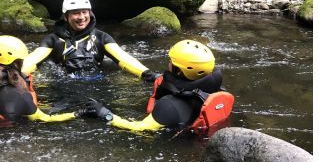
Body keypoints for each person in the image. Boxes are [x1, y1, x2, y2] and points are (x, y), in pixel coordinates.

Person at [21, 0, 160, 83]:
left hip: (97, 83)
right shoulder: (52, 40)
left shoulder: (101, 37)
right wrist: (18, 74)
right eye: (76, 13)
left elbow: (123, 58)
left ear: (90, 13)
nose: (81, 17)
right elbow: (34, 59)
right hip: (63, 85)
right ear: (66, 16)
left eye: (84, 12)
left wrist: (148, 74)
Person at [83, 40, 234, 133]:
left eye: (171, 61)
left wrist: (104, 114)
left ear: (179, 70)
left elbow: (139, 129)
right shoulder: (213, 87)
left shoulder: (169, 106)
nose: (168, 63)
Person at [0, 35, 79, 125]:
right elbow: (45, 120)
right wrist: (78, 114)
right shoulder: (17, 94)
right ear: (17, 62)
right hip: (5, 136)